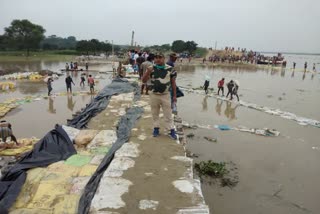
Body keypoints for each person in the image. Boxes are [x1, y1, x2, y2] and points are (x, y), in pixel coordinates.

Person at [142, 53, 177, 140]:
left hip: (166, 95)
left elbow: (173, 83)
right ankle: (156, 129)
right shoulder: (151, 68)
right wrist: (148, 72)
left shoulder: (170, 69)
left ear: (164, 58)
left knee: (168, 113)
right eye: (156, 57)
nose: (157, 59)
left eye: (160, 57)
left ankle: (171, 130)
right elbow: (143, 80)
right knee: (155, 113)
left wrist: (174, 96)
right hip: (154, 95)